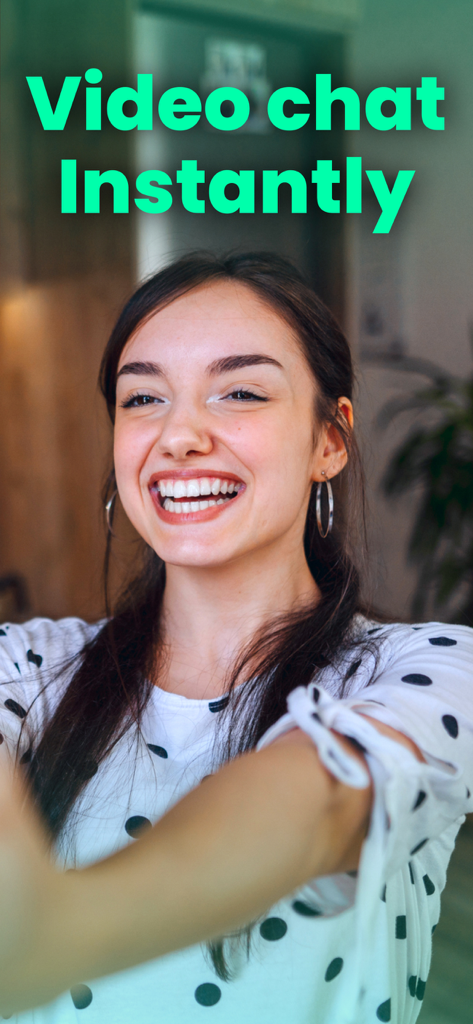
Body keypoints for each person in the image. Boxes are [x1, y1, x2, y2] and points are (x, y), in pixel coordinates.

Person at [0, 252, 471, 1024]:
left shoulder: (429, 671)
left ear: (329, 439)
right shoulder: (33, 665)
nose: (178, 435)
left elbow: (320, 804)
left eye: (241, 391)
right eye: (142, 398)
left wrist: (60, 928)